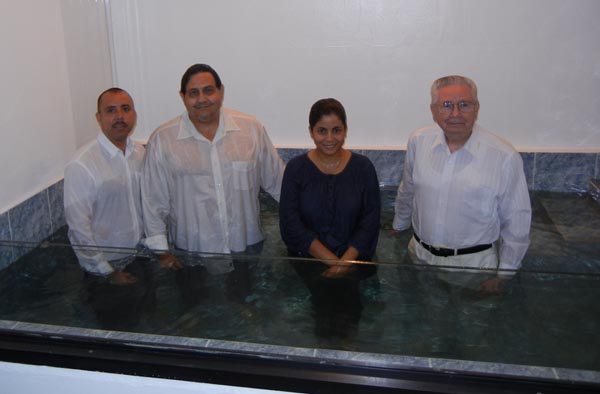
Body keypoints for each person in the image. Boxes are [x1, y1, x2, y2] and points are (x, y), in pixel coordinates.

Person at [392, 75, 532, 356]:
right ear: (433, 110)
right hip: (421, 258)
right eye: (446, 105)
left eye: (464, 104)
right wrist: (399, 225)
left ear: (477, 108)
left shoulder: (502, 156)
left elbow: (517, 220)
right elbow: (408, 188)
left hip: (474, 267)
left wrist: (503, 275)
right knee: (429, 326)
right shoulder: (419, 141)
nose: (455, 113)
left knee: (472, 336)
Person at [142, 64, 285, 305]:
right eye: (193, 93)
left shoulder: (250, 130)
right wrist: (161, 252)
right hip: (191, 252)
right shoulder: (163, 139)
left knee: (245, 308)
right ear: (183, 97)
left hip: (245, 246)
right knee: (195, 311)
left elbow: (279, 183)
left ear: (221, 91)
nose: (202, 99)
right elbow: (152, 200)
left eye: (209, 90)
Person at [279, 98, 380, 340]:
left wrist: (344, 264)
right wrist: (332, 263)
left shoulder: (363, 168)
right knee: (317, 328)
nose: (330, 138)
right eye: (322, 131)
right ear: (311, 132)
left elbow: (370, 220)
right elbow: (290, 224)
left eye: (337, 130)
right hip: (309, 268)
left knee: (351, 327)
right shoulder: (296, 169)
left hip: (355, 266)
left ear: (345, 130)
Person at [64, 88, 155, 330]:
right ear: (98, 117)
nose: (119, 116)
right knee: (118, 337)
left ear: (134, 114)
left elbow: (148, 205)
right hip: (106, 271)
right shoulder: (82, 164)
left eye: (125, 109)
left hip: (139, 260)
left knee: (148, 328)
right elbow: (78, 228)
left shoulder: (139, 154)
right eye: (111, 110)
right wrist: (107, 272)